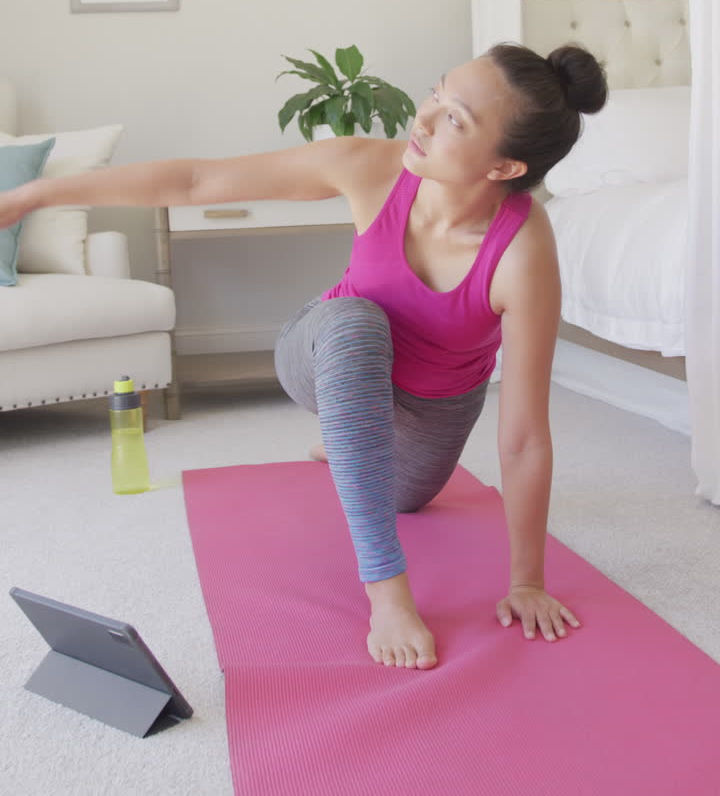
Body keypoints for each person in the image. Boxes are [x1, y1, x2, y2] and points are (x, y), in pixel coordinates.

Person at [0, 41, 607, 672]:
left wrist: (527, 580)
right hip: (323, 352)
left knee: (405, 494)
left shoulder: (522, 250)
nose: (423, 119)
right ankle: (386, 588)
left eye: (457, 119)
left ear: (505, 167)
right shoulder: (372, 168)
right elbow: (196, 181)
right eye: (438, 92)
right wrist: (31, 197)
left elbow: (525, 436)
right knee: (354, 323)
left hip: (433, 417)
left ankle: (350, 440)